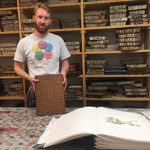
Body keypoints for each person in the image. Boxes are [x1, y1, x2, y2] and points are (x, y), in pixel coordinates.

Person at [14, 2, 70, 106]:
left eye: (46, 18)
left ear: (50, 21)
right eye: (40, 17)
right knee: (33, 120)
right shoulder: (24, 42)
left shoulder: (58, 40)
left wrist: (63, 74)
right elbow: (17, 67)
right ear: (34, 18)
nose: (42, 21)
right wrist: (29, 78)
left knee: (56, 119)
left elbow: (65, 62)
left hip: (55, 87)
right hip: (35, 88)